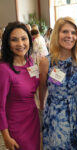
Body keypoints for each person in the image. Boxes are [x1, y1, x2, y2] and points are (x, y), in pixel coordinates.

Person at [39, 16, 77, 150]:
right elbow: (42, 88)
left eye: (73, 32)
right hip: (56, 115)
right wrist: (42, 110)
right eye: (65, 32)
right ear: (57, 34)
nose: (70, 36)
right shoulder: (46, 61)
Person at [0, 21, 40, 150]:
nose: (20, 44)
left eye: (24, 39)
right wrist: (6, 136)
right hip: (17, 125)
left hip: (33, 120)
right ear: (7, 43)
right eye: (14, 40)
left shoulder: (30, 62)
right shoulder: (4, 69)